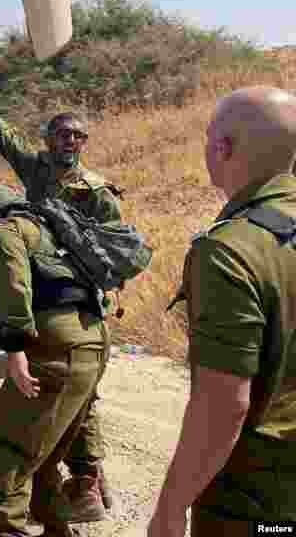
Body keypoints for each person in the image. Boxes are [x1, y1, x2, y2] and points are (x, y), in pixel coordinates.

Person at [0, 53, 120, 520]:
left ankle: (84, 482)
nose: (71, 141)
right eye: (63, 134)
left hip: (75, 291)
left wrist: (105, 294)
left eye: (79, 135)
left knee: (80, 391)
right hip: (34, 275)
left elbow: (111, 250)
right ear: (49, 139)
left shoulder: (96, 191)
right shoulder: (36, 168)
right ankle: (62, 489)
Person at [148, 86, 296, 537]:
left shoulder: (230, 250)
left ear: (222, 148)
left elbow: (223, 406)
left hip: (258, 502)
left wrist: (172, 508)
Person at [0, 183, 110, 537]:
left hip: (53, 346)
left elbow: (14, 286)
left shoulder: (4, 230)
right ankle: (57, 529)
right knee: (44, 454)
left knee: (4, 458)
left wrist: (15, 350)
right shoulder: (51, 226)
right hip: (94, 339)